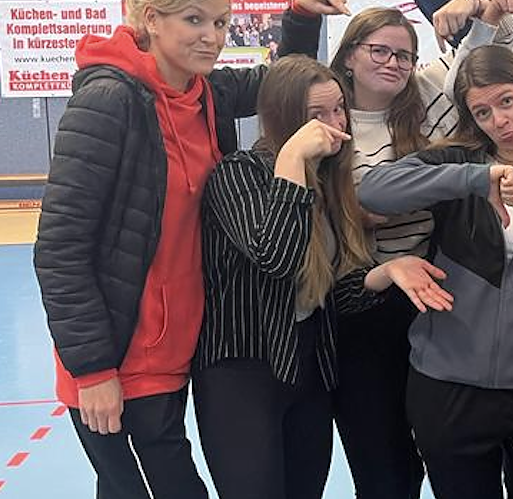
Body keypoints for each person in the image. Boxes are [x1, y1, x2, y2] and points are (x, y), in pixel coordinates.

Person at [33, 0, 345, 499]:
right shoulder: (109, 101)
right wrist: (94, 370)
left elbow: (284, 87)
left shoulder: (204, 92)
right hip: (121, 356)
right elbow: (60, 247)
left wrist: (299, 15)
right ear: (152, 19)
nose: (212, 36)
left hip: (177, 347)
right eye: (194, 19)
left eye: (220, 22)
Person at [192, 55, 452, 499]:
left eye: (338, 110)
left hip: (307, 361)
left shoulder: (328, 177)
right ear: (284, 116)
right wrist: (292, 156)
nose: (335, 124)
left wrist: (387, 271)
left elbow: (328, 291)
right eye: (318, 114)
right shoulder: (239, 174)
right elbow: (277, 257)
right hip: (245, 368)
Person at [358, 45, 513, 499]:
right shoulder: (457, 166)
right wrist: (474, 180)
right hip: (446, 391)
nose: (500, 121)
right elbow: (373, 191)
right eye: (483, 112)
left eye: (506, 101)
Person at [323, 6, 460, 499]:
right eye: (379, 51)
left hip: (425, 303)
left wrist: (474, 5)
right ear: (349, 55)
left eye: (404, 55)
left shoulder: (426, 106)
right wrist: (349, 212)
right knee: (380, 468)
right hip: (356, 306)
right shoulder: (329, 120)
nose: (393, 63)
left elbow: (482, 61)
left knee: (434, 455)